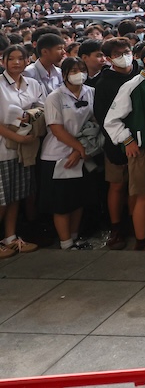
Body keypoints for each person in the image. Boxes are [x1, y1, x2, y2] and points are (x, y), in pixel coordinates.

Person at [103, 43, 145, 251]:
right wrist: (127, 140)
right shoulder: (133, 85)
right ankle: (142, 240)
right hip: (142, 148)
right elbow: (111, 120)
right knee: (143, 195)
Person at [40, 57, 96, 251]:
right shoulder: (55, 97)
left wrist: (80, 150)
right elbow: (57, 129)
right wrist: (79, 148)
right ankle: (65, 243)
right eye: (73, 71)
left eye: (82, 69)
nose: (79, 74)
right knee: (61, 202)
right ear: (64, 75)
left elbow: (93, 122)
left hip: (81, 153)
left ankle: (74, 237)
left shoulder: (91, 92)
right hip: (58, 155)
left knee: (78, 199)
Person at [93, 37, 140, 251]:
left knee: (137, 186)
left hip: (142, 139)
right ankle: (116, 227)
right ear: (109, 59)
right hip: (116, 141)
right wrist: (123, 139)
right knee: (117, 184)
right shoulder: (105, 83)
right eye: (118, 54)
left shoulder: (140, 72)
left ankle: (135, 221)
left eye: (126, 52)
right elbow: (103, 118)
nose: (124, 57)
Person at [0, 45, 44, 257]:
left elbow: (42, 107)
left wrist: (30, 115)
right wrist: (16, 137)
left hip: (25, 148)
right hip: (3, 148)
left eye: (21, 58)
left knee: (15, 195)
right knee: (1, 199)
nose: (16, 62)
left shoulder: (32, 84)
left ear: (28, 60)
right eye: (11, 59)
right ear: (3, 61)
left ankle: (10, 237)